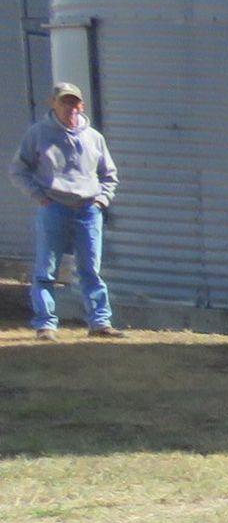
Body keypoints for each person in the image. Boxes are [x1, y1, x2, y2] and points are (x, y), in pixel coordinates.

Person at [13, 80, 118, 338]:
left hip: (88, 210)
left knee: (90, 270)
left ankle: (100, 322)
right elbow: (18, 170)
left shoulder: (94, 137)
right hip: (54, 207)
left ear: (81, 106)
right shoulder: (38, 134)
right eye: (64, 101)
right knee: (46, 270)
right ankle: (46, 325)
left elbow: (109, 174)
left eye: (74, 102)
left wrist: (101, 200)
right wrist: (40, 196)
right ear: (53, 103)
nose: (70, 107)